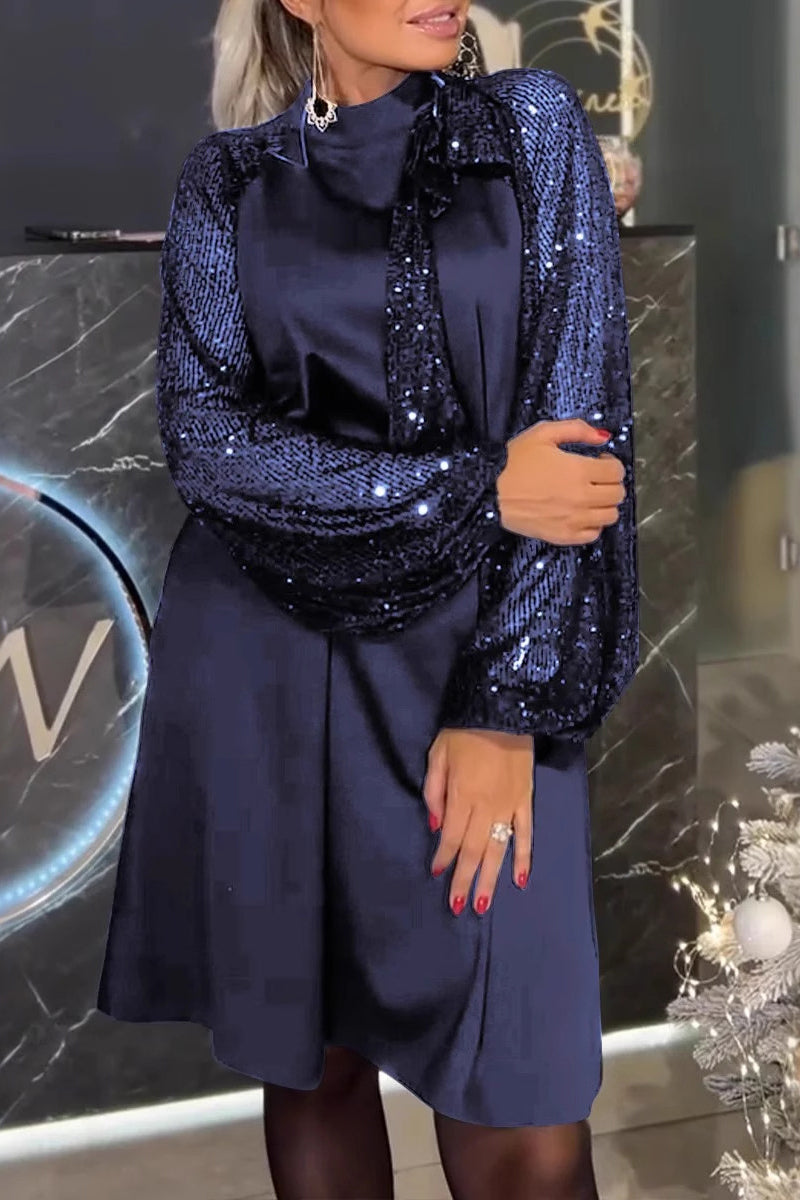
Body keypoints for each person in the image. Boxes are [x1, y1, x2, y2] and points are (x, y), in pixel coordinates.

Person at [96, 2, 639, 1197]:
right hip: (271, 666)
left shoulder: (529, 126)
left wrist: (504, 708)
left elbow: (580, 446)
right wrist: (476, 487)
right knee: (317, 1066)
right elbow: (209, 447)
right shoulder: (229, 180)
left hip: (474, 666)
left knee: (523, 1114)